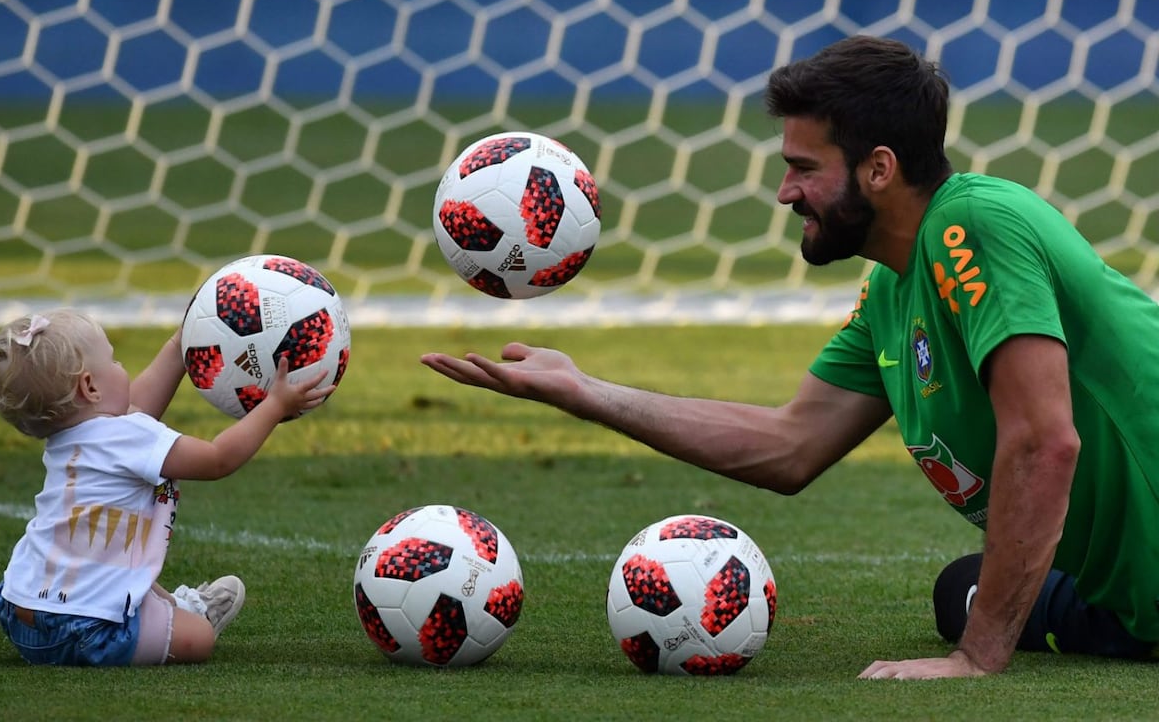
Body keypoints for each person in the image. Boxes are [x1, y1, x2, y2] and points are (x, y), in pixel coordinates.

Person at [421, 35, 1159, 679]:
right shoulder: (892, 290)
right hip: (1131, 599)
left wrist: (978, 657)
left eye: (804, 168)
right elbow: (789, 444)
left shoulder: (972, 224)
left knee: (982, 615)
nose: (785, 193)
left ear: (878, 168)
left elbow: (1044, 441)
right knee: (959, 593)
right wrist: (585, 391)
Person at [0, 308, 333, 666]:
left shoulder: (67, 437)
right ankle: (188, 610)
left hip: (21, 614)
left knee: (111, 558)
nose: (121, 367)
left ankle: (163, 606)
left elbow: (134, 408)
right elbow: (218, 459)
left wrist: (180, 344)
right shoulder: (127, 437)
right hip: (87, 630)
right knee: (198, 638)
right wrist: (274, 406)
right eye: (114, 361)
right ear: (90, 387)